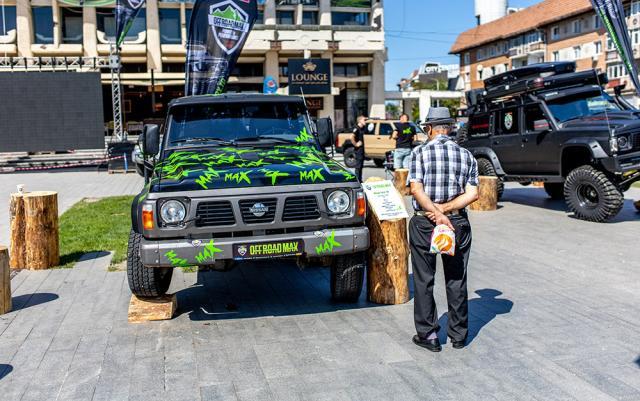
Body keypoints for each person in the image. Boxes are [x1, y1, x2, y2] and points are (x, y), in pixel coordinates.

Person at [407, 107, 479, 352]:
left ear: (429, 128)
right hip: (457, 222)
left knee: (424, 279)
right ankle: (458, 335)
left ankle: (429, 335)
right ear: (448, 128)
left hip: (424, 222)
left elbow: (416, 189)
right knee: (457, 278)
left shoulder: (419, 153)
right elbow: (473, 193)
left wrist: (437, 213)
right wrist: (447, 211)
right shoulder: (466, 155)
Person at [349, 115, 367, 182]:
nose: (365, 121)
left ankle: (360, 180)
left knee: (361, 166)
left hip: (361, 151)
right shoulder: (357, 128)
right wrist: (356, 144)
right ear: (360, 121)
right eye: (364, 120)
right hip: (358, 151)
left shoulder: (362, 128)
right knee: (358, 167)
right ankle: (357, 181)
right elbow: (351, 137)